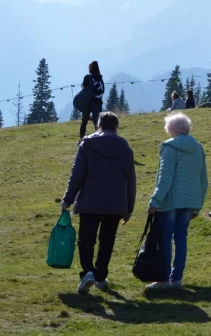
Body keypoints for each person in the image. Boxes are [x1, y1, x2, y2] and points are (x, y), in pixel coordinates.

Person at [61, 112, 136, 294]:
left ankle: (88, 272)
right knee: (107, 240)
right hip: (115, 203)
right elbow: (131, 179)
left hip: (89, 200)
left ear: (98, 125)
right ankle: (101, 276)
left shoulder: (87, 144)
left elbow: (77, 174)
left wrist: (67, 199)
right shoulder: (124, 148)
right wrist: (128, 209)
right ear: (116, 127)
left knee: (86, 239)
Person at [147, 112, 208, 290]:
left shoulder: (169, 147)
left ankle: (164, 279)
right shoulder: (198, 148)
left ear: (171, 129)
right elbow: (203, 179)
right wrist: (198, 204)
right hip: (189, 202)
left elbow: (165, 178)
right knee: (181, 238)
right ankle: (177, 279)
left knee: (166, 238)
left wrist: (155, 200)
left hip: (170, 201)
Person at [78, 61, 106, 140]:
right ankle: (101, 140)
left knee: (84, 122)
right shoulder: (100, 77)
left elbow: (84, 88)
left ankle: (81, 140)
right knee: (97, 123)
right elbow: (103, 90)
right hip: (98, 103)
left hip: (89, 102)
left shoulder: (88, 77)